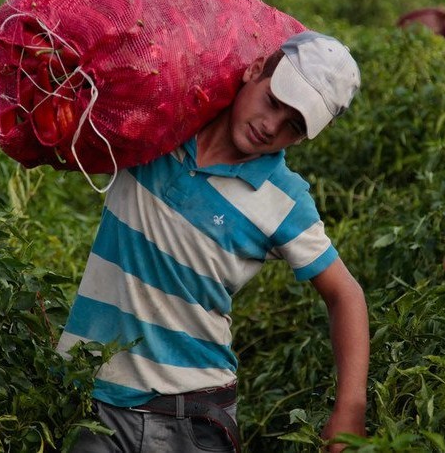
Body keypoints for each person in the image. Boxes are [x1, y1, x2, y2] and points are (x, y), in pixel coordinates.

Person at [58, 30, 371, 453]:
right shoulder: (163, 125)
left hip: (188, 416)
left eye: (293, 125)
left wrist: (349, 406)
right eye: (274, 101)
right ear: (256, 69)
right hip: (89, 399)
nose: (270, 126)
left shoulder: (282, 200)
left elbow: (345, 294)